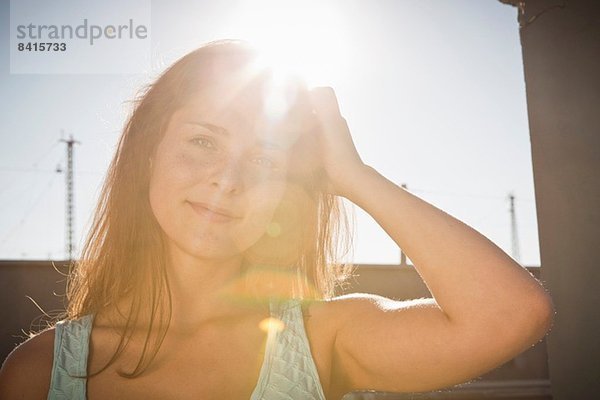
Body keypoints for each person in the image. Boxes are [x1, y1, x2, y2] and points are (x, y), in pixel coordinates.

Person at [0, 39, 554, 400]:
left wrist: (350, 174)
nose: (228, 178)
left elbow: (513, 313)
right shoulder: (39, 371)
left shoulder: (322, 339)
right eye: (202, 141)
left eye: (265, 159)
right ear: (148, 155)